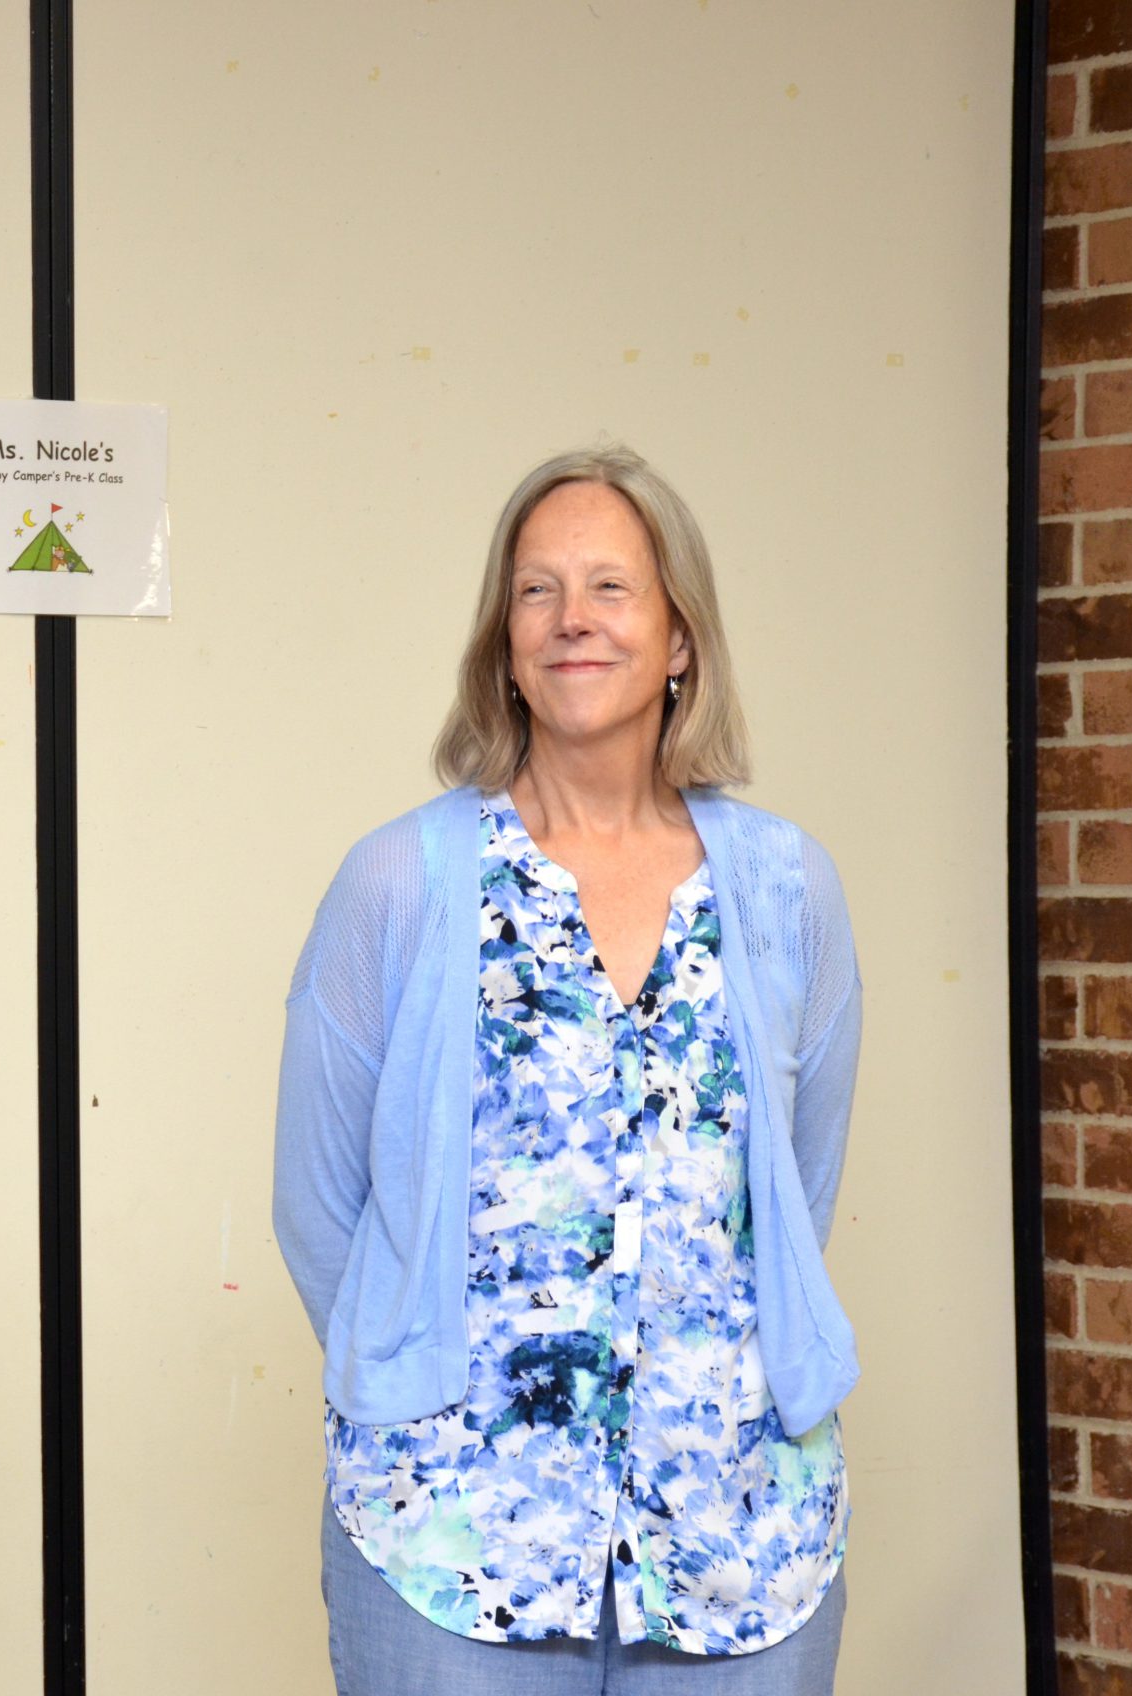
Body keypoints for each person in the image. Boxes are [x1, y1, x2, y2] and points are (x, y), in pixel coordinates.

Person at [273, 445, 860, 1694]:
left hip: (738, 1537)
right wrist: (426, 1393)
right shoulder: (400, 881)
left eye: (609, 587)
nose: (570, 618)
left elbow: (794, 1194)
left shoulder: (785, 887)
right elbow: (317, 1204)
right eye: (535, 590)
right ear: (503, 642)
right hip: (450, 1538)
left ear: (680, 638)